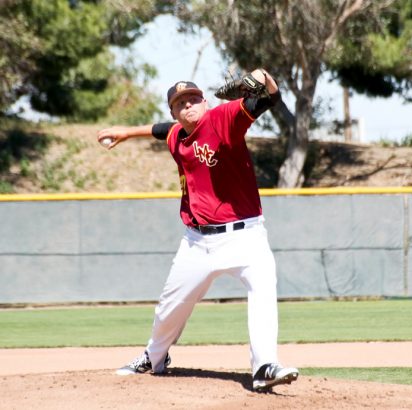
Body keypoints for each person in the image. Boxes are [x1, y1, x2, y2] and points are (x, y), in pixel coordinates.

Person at [97, 68, 298, 391]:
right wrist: (127, 132)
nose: (188, 105)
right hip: (196, 243)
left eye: (193, 98)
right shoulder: (177, 135)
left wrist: (262, 76)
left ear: (205, 101)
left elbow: (270, 97)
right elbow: (161, 130)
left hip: (245, 236)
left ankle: (263, 366)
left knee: (263, 291)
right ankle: (154, 356)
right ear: (174, 112)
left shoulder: (224, 118)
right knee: (169, 307)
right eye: (180, 103)